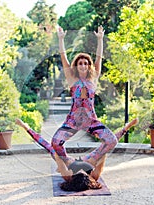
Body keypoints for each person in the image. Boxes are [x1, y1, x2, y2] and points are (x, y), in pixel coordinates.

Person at [52, 25, 119, 167]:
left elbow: (99, 58)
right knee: (55, 142)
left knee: (112, 140)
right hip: (73, 121)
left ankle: (91, 158)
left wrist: (100, 39)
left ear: (89, 66)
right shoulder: (71, 78)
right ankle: (68, 162)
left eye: (86, 63)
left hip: (91, 120)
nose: (83, 65)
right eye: (80, 63)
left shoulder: (93, 78)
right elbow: (63, 56)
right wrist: (61, 39)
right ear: (76, 65)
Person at [15, 118, 138, 192]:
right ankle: (126, 128)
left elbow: (55, 154)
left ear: (73, 176)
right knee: (109, 144)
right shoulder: (94, 176)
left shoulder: (67, 176)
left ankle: (27, 127)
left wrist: (58, 155)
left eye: (80, 172)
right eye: (84, 172)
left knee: (50, 148)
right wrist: (102, 151)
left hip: (70, 163)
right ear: (88, 178)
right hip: (88, 161)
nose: (81, 170)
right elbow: (103, 155)